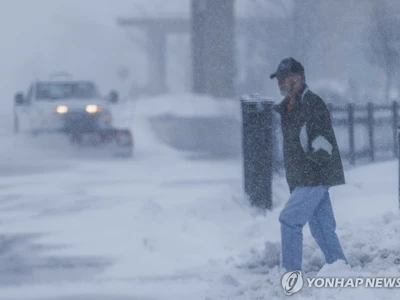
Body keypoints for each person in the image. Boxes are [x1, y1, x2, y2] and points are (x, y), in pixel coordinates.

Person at [270, 57, 347, 272]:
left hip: (312, 176)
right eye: (278, 79)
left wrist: (311, 171)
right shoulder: (289, 107)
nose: (280, 83)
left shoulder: (312, 104)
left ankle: (290, 274)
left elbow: (323, 143)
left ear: (298, 78)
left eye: (284, 79)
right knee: (322, 228)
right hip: (304, 177)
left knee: (289, 220)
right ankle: (340, 268)